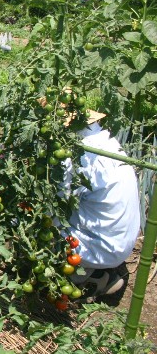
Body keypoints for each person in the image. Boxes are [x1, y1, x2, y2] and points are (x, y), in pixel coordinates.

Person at [61, 111, 141, 298]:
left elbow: (53, 204)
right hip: (121, 241)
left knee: (33, 223)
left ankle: (89, 276)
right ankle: (96, 269)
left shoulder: (77, 155)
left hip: (101, 246)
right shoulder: (106, 142)